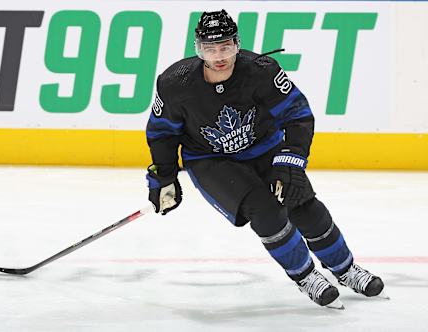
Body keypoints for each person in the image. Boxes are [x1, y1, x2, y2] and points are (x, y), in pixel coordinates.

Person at [145, 9, 386, 309]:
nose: (219, 56)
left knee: (303, 204)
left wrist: (291, 159)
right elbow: (162, 133)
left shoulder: (261, 71)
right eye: (210, 48)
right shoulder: (174, 83)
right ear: (198, 49)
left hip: (265, 147)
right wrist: (163, 177)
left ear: (237, 44)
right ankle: (306, 276)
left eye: (226, 47)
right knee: (266, 212)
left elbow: (297, 114)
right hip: (211, 160)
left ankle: (346, 269)